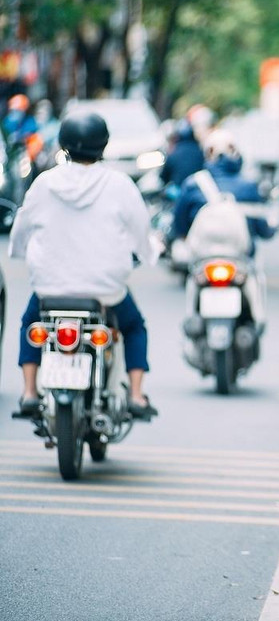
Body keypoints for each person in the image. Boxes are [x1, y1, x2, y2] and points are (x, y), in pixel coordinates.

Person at [9, 112, 157, 420]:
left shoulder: (44, 183)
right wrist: (147, 253)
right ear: (103, 145)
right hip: (105, 291)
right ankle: (136, 394)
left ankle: (29, 392)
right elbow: (141, 229)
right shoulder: (120, 184)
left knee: (30, 324)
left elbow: (22, 227)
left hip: (50, 290)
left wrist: (19, 251)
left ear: (63, 144)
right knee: (133, 326)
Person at [173, 129, 275, 329]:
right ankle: (258, 318)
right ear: (236, 153)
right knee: (255, 276)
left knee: (192, 280)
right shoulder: (249, 186)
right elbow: (263, 228)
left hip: (202, 258)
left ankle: (191, 317)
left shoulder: (193, 184)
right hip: (240, 258)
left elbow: (179, 223)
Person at [160, 119, 205, 189]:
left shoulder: (173, 153)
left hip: (181, 191)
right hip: (201, 188)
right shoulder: (200, 149)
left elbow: (163, 177)